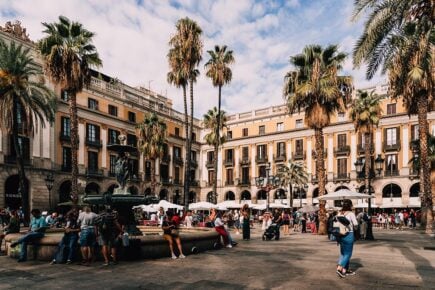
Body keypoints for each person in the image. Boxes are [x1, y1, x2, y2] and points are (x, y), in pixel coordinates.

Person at [336, 199, 358, 278]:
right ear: (350, 205)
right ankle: (339, 268)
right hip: (349, 234)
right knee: (348, 254)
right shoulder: (351, 214)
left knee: (343, 253)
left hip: (341, 235)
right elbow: (355, 224)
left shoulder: (339, 213)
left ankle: (345, 270)